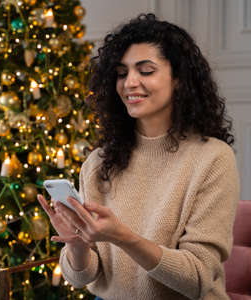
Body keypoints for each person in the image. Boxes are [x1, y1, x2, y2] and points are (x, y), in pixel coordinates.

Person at [38, 13, 240, 300]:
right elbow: (83, 277)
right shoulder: (99, 162)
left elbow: (197, 278)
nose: (130, 82)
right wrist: (78, 246)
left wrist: (122, 237)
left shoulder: (212, 158)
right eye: (122, 73)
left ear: (179, 79)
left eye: (146, 71)